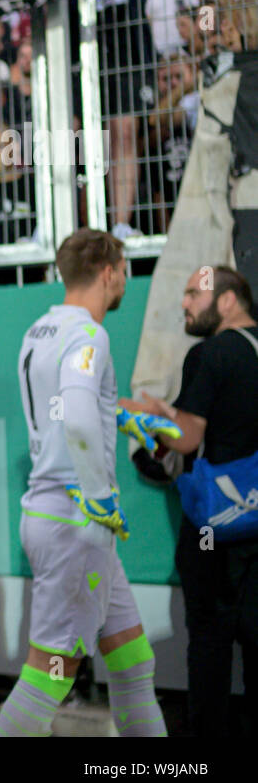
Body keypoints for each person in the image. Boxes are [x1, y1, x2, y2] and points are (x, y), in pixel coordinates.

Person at [0, 229, 167, 737]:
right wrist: (99, 498)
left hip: (61, 519)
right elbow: (73, 415)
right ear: (110, 273)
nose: (124, 284)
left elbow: (65, 407)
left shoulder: (40, 331)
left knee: (133, 660)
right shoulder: (91, 335)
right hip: (77, 522)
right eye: (124, 274)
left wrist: (118, 415)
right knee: (47, 678)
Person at [120, 266, 258, 736]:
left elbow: (186, 439)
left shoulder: (209, 355)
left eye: (192, 294)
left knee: (210, 643)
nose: (183, 304)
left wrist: (153, 414)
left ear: (227, 301)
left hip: (216, 528)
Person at [65, 0, 183, 241]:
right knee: (69, 138)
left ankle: (120, 224)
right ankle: (62, 220)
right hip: (85, 71)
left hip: (129, 68)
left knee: (124, 134)